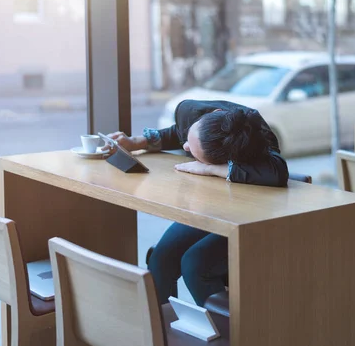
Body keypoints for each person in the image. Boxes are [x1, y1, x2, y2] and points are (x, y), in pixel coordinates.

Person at [103, 99, 289, 306]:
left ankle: (228, 336)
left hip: (251, 217)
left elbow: (277, 172)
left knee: (195, 264)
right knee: (160, 259)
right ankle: (161, 330)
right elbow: (180, 133)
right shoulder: (189, 110)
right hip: (211, 208)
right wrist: (138, 142)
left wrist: (211, 169)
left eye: (193, 151)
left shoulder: (255, 134)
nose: (185, 147)